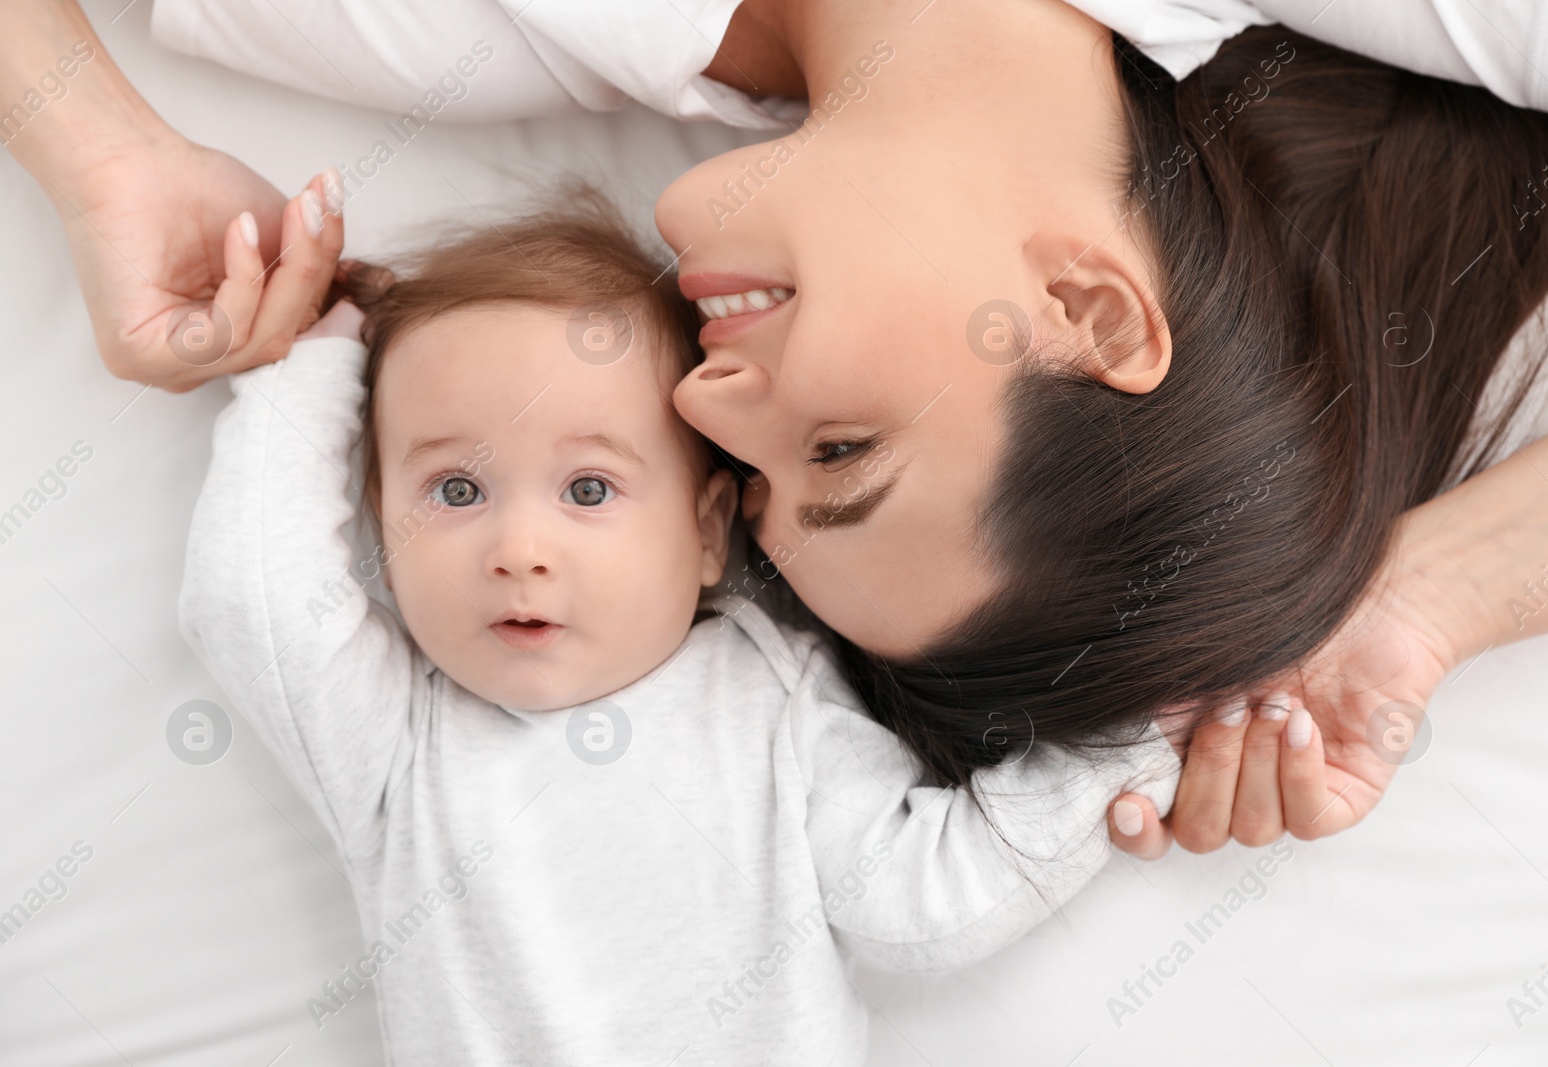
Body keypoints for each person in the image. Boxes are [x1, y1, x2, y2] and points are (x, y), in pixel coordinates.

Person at [6, 0, 1548, 861]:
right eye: (840, 454)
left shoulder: (436, 34)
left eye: (750, 485)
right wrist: (1404, 591)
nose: (706, 400)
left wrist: (92, 141)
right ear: (1093, 313)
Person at [176, 198, 1181, 1064]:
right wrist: (314, 362)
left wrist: (1142, 732)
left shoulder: (771, 694)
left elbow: (918, 897)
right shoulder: (394, 740)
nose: (517, 547)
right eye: (454, 487)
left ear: (705, 531)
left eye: (588, 487)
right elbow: (251, 598)